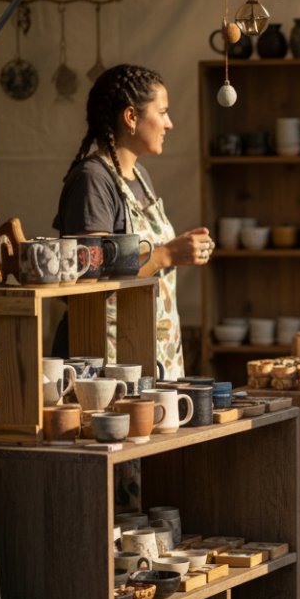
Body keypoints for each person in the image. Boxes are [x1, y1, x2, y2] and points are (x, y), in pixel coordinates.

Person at [54, 64, 213, 378]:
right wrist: (166, 255)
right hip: (105, 360)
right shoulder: (94, 180)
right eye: (163, 112)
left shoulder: (140, 176)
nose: (169, 123)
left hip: (150, 350)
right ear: (131, 117)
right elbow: (92, 281)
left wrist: (178, 251)